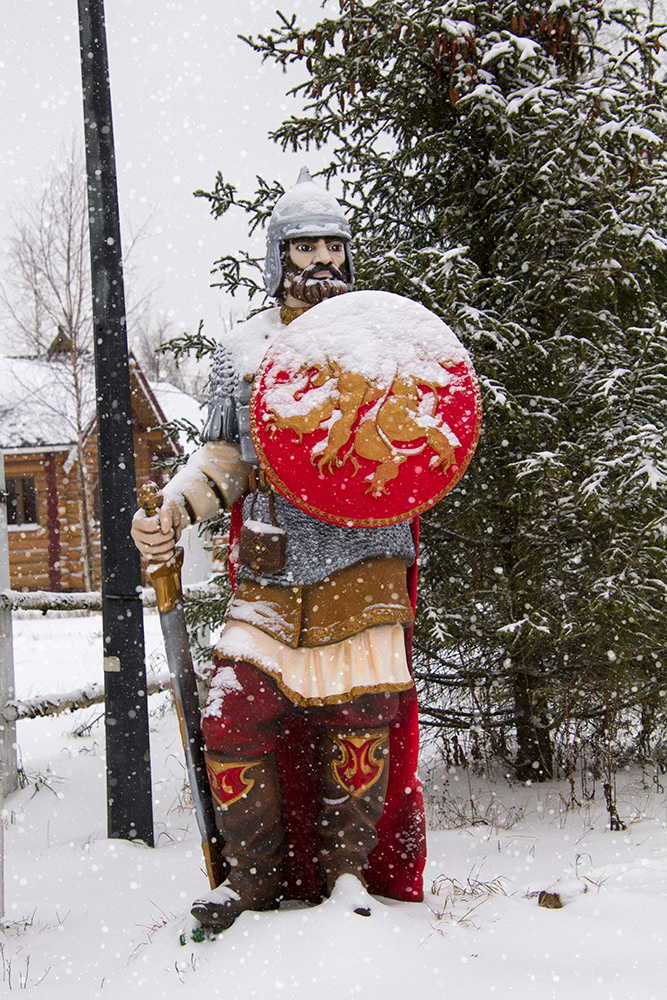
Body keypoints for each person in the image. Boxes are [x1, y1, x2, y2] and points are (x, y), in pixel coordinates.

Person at [131, 168, 426, 932]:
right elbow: (225, 460)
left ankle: (348, 880)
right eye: (305, 248)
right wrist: (172, 508)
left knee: (357, 718)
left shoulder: (386, 340)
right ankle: (252, 881)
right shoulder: (245, 351)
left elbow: (424, 445)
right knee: (234, 718)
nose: (321, 260)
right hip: (270, 569)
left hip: (365, 562)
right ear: (278, 257)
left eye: (333, 245)